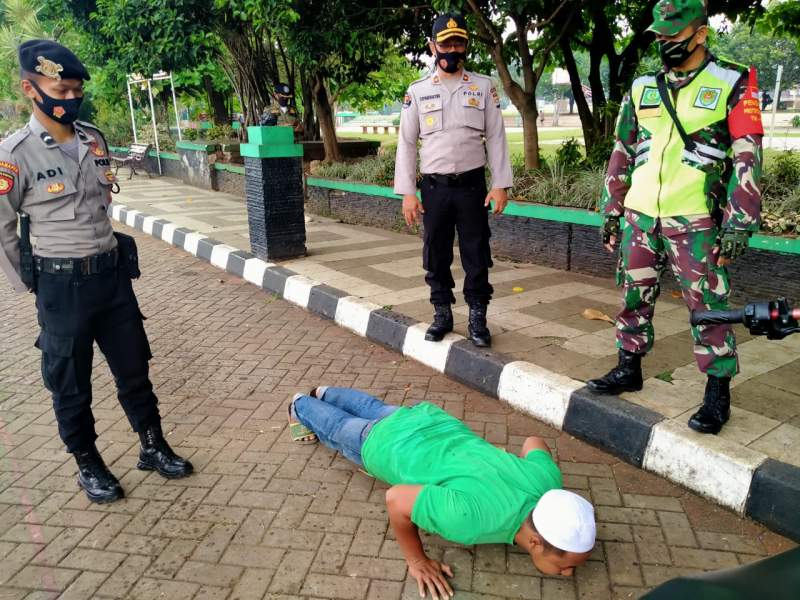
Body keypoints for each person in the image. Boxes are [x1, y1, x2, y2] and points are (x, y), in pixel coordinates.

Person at [0, 40, 193, 503]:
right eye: (60, 90)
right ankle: (88, 463)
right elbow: (3, 228)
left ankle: (152, 445)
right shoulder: (15, 152)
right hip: (60, 286)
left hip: (111, 278)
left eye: (75, 91)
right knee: (70, 382)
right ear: (31, 89)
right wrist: (32, 283)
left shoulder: (94, 139)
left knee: (134, 369)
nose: (70, 99)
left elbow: (103, 205)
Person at [588, 0, 764, 435]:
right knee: (634, 296)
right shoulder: (644, 86)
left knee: (708, 306)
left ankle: (717, 390)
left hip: (696, 219)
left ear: (700, 34)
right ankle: (629, 367)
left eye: (674, 35)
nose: (664, 43)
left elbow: (747, 153)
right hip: (640, 215)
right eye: (660, 36)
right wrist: (612, 210)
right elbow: (622, 149)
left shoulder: (733, 81)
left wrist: (739, 220)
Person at [288, 387, 595, 599]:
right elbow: (396, 499)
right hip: (388, 447)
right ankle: (298, 404)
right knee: (337, 427)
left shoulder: (549, 482)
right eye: (565, 566)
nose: (567, 574)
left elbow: (533, 441)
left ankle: (325, 391)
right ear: (534, 541)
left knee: (377, 409)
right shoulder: (469, 521)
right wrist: (417, 560)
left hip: (430, 421)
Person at [394, 12, 513, 348]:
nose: (452, 49)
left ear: (466, 46)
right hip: (434, 189)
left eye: (458, 42)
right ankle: (442, 312)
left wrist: (500, 183)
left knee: (476, 251)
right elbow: (406, 142)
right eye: (446, 43)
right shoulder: (417, 91)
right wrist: (407, 193)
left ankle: (478, 315)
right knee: (436, 252)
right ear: (433, 46)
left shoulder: (482, 86)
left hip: (473, 188)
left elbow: (497, 137)